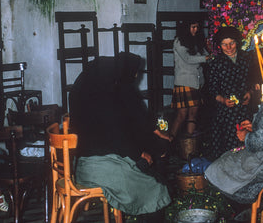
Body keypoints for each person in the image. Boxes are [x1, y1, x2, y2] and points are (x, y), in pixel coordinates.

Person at [69, 53, 171, 219]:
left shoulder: (80, 94)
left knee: (142, 168)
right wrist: (139, 154)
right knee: (154, 188)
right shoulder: (102, 101)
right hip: (99, 169)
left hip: (81, 166)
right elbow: (117, 137)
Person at [204, 102, 263, 205]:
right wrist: (257, 127)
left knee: (218, 168)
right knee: (231, 160)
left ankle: (247, 205)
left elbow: (259, 143)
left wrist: (246, 136)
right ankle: (254, 202)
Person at [206, 26, 259, 160]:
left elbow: (255, 80)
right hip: (225, 113)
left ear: (237, 42)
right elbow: (211, 90)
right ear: (219, 45)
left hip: (245, 109)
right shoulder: (215, 63)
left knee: (246, 142)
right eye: (224, 44)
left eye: (232, 43)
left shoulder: (247, 58)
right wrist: (223, 100)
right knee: (227, 146)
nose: (229, 47)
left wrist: (250, 93)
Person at [169, 20, 210, 139]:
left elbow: (206, 54)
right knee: (181, 115)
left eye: (197, 27)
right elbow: (188, 58)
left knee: (193, 115)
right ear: (186, 27)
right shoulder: (178, 41)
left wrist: (210, 52)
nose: (195, 30)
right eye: (193, 27)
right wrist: (206, 58)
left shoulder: (197, 40)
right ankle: (168, 143)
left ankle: (188, 147)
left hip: (196, 82)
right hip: (184, 81)